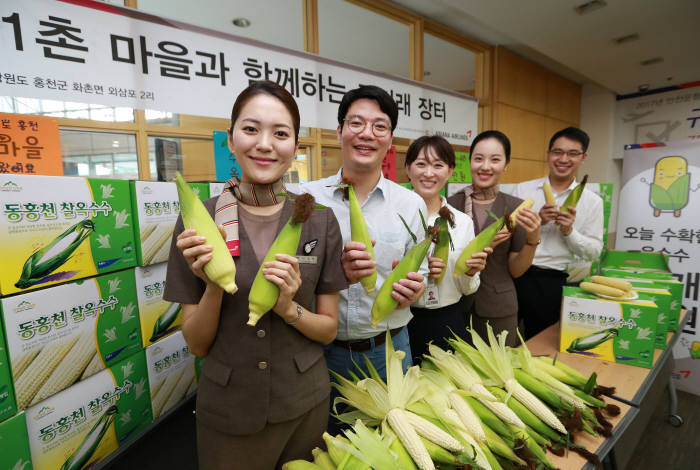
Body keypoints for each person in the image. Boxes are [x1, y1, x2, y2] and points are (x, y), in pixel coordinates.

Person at [163, 81, 346, 470]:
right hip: (230, 411)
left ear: (295, 146)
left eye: (280, 133)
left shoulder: (319, 220)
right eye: (251, 129)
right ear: (230, 139)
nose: (265, 144)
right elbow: (196, 344)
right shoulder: (199, 221)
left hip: (304, 403)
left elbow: (328, 330)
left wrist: (286, 307)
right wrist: (214, 285)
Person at [302, 85, 429, 380]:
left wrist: (414, 290)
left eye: (379, 126)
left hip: (390, 348)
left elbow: (420, 271)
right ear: (339, 132)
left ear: (390, 140)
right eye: (356, 123)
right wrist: (337, 273)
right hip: (318, 350)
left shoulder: (411, 204)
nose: (367, 133)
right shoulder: (307, 199)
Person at [447, 130, 541, 347]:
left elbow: (516, 270)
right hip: (455, 305)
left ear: (506, 164)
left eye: (495, 159)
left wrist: (532, 240)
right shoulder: (450, 205)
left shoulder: (515, 207)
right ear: (469, 161)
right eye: (478, 158)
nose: (485, 166)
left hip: (498, 308)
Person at [403, 135, 490, 363]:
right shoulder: (395, 218)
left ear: (450, 171)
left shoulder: (462, 222)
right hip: (402, 321)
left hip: (448, 319)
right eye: (421, 164)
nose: (429, 173)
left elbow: (467, 289)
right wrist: (418, 272)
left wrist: (470, 272)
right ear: (408, 169)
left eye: (438, 165)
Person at [513, 127, 603, 340]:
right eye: (557, 152)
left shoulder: (592, 201)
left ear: (583, 158)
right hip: (515, 274)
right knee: (504, 340)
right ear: (548, 154)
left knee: (540, 344)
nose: (563, 159)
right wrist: (538, 220)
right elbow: (507, 233)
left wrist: (569, 231)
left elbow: (593, 252)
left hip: (553, 282)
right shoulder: (522, 190)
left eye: (572, 153)